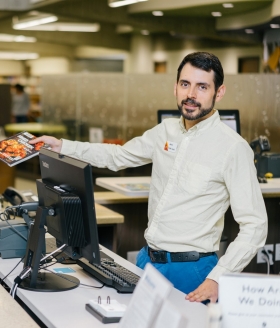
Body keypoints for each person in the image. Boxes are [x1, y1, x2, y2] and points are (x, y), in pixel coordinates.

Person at [30, 52, 267, 303]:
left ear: (219, 93)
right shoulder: (165, 131)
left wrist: (219, 278)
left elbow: (255, 225)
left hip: (192, 271)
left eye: (202, 87)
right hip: (147, 261)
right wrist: (63, 147)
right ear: (175, 87)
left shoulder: (233, 148)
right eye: (185, 84)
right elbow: (118, 156)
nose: (191, 95)